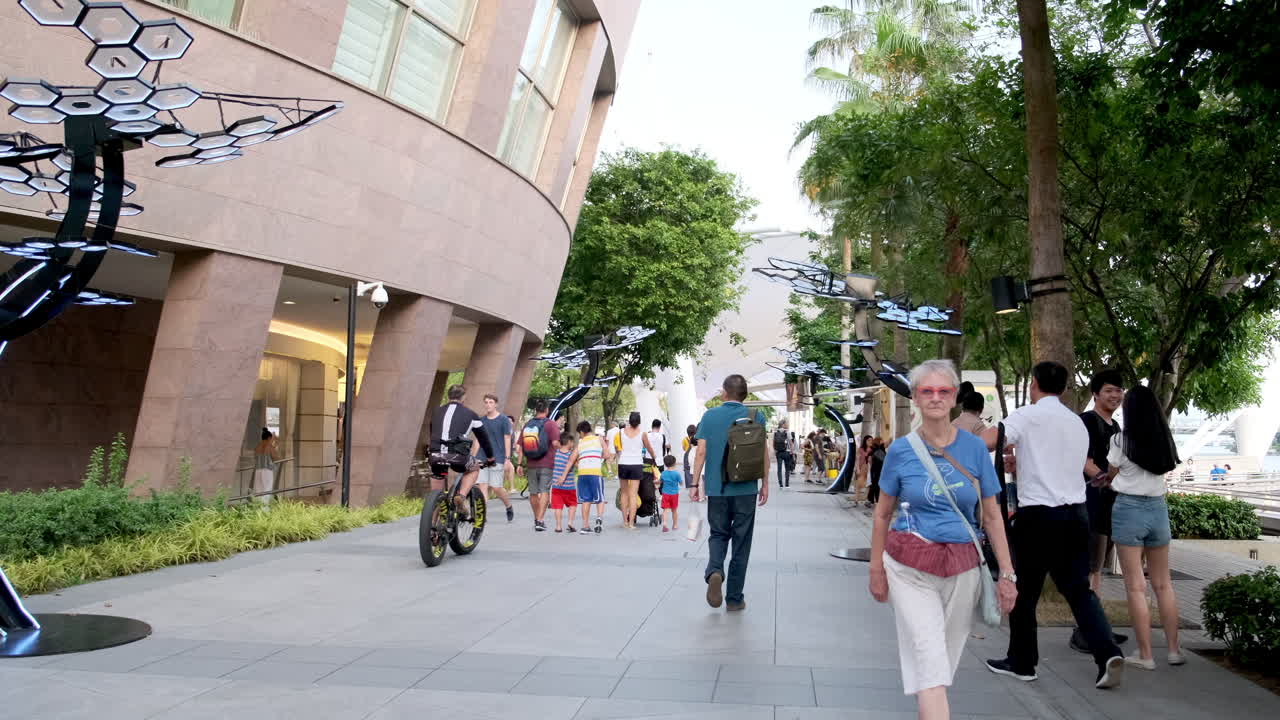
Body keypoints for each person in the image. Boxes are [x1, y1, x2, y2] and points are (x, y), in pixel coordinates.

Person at [869, 359, 1017, 720]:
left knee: (940, 664)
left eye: (943, 391)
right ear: (916, 399)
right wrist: (876, 568)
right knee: (930, 655)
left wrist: (1008, 575)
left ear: (953, 398)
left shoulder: (975, 449)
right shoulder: (901, 451)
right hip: (908, 566)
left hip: (962, 567)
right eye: (927, 391)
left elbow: (993, 514)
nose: (935, 397)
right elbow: (883, 513)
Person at [981, 361, 1126, 690]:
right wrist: (1022, 462)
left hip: (1038, 518)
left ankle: (1022, 662)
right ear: (1062, 388)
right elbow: (1061, 464)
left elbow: (987, 442)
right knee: (1079, 592)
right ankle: (1106, 654)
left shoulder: (1027, 415)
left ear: (1034, 384)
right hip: (1076, 515)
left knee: (1024, 591)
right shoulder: (1076, 423)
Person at [1105, 384, 1184, 670]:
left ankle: (1145, 655)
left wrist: (1112, 477)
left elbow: (1112, 471)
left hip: (1129, 509)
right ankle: (1174, 651)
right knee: (1164, 584)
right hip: (1158, 509)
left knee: (1136, 587)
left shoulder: (1119, 441)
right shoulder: (1164, 440)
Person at [691, 374, 769, 612]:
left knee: (718, 534)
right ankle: (734, 598)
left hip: (718, 489)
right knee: (742, 542)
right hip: (746, 489)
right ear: (744, 395)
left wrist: (694, 484)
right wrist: (765, 484)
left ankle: (715, 570)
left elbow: (701, 451)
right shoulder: (757, 416)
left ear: (725, 393)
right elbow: (763, 452)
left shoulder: (710, 415)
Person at [1074, 370, 1128, 653]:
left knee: (1098, 567)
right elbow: (1084, 460)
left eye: (1119, 391)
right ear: (1095, 393)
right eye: (1109, 390)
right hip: (1089, 501)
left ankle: (1097, 628)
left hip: (1109, 503)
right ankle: (1086, 630)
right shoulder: (1086, 421)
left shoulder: (1116, 427)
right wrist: (1107, 481)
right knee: (1088, 568)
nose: (1115, 396)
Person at [428, 385, 497, 517]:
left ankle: (432, 530)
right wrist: (490, 458)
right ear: (463, 397)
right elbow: (484, 439)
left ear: (449, 396)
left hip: (435, 455)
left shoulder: (436, 412)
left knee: (436, 498)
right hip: (457, 457)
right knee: (474, 468)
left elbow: (432, 432)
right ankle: (461, 496)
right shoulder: (471, 415)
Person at [519, 400, 561, 532]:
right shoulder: (551, 424)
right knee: (544, 491)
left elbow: (519, 446)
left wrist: (519, 464)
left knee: (533, 492)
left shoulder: (528, 424)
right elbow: (555, 443)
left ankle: (537, 518)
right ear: (547, 410)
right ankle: (540, 520)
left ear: (535, 410)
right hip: (547, 463)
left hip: (531, 463)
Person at [475, 394, 516, 523]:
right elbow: (477, 440)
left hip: (498, 457)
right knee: (483, 486)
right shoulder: (481, 421)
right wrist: (473, 457)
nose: (488, 404)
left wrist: (507, 459)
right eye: (486, 402)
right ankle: (482, 515)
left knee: (496, 487)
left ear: (496, 404)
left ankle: (508, 506)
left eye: (490, 402)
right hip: (482, 456)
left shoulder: (503, 420)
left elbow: (507, 439)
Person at [617, 412, 656, 529]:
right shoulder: (642, 434)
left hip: (623, 463)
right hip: (636, 464)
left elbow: (619, 447)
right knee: (633, 494)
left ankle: (624, 522)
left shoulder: (621, 432)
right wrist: (654, 457)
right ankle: (631, 524)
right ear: (639, 422)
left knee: (624, 493)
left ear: (629, 421)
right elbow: (649, 448)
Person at [574, 420, 610, 534]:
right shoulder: (599, 438)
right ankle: (599, 518)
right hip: (595, 472)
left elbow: (574, 459)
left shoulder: (580, 442)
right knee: (599, 498)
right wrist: (599, 458)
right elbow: (607, 454)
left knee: (586, 500)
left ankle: (585, 526)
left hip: (582, 473)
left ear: (581, 432)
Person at [550, 433, 579, 533]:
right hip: (569, 486)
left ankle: (558, 526)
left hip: (556, 485)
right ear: (569, 442)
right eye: (572, 442)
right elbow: (577, 466)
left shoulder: (555, 453)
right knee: (573, 504)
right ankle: (570, 522)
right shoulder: (571, 455)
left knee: (558, 506)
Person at [252, 428, 279, 504]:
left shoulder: (257, 447)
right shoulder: (270, 447)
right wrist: (275, 445)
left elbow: (255, 458)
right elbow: (276, 458)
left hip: (258, 471)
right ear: (269, 438)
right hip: (267, 471)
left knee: (258, 491)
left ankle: (258, 509)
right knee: (266, 491)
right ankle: (264, 511)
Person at [660, 454, 683, 532]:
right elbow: (681, 483)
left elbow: (660, 481)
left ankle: (665, 524)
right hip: (674, 494)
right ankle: (675, 525)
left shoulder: (663, 473)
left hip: (665, 494)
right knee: (674, 510)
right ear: (674, 463)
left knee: (665, 510)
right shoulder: (676, 474)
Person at [867, 437, 886, 507]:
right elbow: (870, 459)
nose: (883, 441)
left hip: (877, 470)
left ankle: (870, 500)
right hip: (876, 470)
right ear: (879, 441)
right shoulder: (875, 449)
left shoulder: (879, 449)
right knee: (876, 485)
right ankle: (876, 500)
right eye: (881, 440)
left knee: (875, 485)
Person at [773, 419, 792, 489]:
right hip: (786, 452)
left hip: (778, 453)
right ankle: (787, 484)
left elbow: (773, 443)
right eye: (786, 423)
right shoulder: (787, 432)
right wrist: (792, 451)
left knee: (779, 468)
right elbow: (790, 443)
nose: (787, 424)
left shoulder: (775, 432)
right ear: (783, 424)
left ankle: (780, 484)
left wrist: (775, 450)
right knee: (787, 469)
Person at [682, 424, 699, 500]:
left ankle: (691, 491)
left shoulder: (685, 439)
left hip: (687, 457)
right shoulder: (697, 439)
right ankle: (697, 491)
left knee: (688, 473)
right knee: (696, 473)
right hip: (695, 456)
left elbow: (683, 448)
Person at [855, 435, 872, 501]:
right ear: (865, 441)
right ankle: (856, 499)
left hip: (869, 468)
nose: (870, 442)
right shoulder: (861, 449)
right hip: (862, 467)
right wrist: (858, 469)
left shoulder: (872, 449)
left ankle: (865, 498)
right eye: (869, 440)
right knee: (859, 483)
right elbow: (857, 459)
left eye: (871, 440)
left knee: (868, 484)